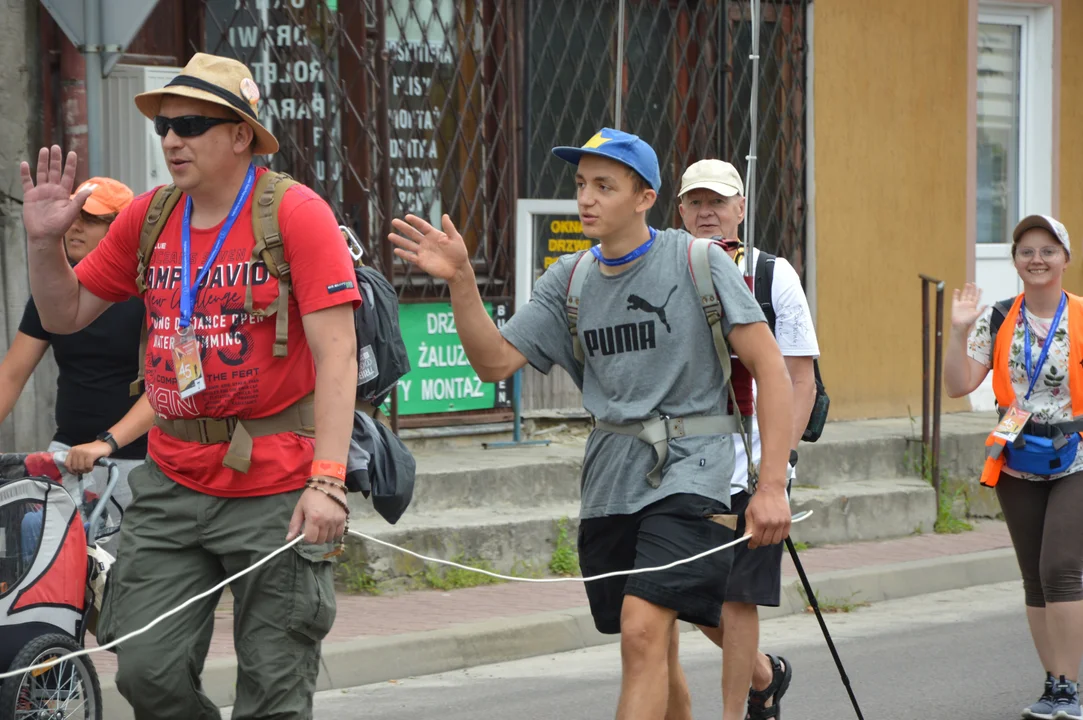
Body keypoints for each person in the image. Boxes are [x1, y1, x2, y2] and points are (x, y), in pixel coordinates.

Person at [389, 127, 795, 720]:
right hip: (610, 479)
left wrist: (772, 486)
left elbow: (772, 369)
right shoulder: (569, 280)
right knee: (656, 647)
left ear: (644, 196)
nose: (587, 198)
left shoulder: (698, 262)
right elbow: (493, 362)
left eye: (605, 185)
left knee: (641, 631)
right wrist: (462, 283)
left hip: (693, 471)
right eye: (581, 185)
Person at [19, 52, 359, 720]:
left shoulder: (296, 214)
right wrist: (43, 247)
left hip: (277, 483)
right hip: (173, 479)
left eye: (192, 124)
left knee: (274, 689)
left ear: (240, 135)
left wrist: (328, 479)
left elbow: (338, 353)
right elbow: (65, 315)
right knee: (145, 671)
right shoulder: (148, 218)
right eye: (165, 125)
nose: (173, 138)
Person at [673, 158, 819, 720]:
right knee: (680, 593)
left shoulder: (771, 274)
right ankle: (765, 675)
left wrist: (777, 467)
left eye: (719, 202)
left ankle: (735, 713)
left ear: (740, 208)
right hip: (685, 460)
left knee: (738, 597)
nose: (707, 211)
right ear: (681, 211)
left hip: (755, 464)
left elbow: (800, 375)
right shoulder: (668, 268)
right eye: (695, 202)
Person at [945, 215, 1083, 720]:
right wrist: (958, 333)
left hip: (1078, 453)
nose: (1037, 259)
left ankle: (1069, 685)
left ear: (1065, 258)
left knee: (1061, 567)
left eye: (1049, 250)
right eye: (1027, 250)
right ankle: (1052, 684)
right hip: (1017, 455)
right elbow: (958, 385)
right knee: (1034, 577)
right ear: (1016, 261)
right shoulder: (1000, 317)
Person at [0, 177, 150, 551]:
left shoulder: (150, 290)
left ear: (121, 227)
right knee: (50, 584)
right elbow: (12, 374)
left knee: (121, 588)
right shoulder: (55, 291)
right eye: (72, 214)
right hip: (66, 456)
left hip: (136, 461)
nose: (74, 225)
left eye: (90, 217)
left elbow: (165, 386)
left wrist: (108, 443)